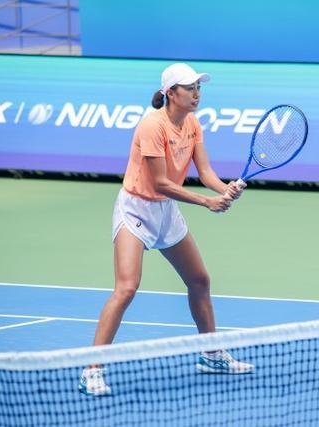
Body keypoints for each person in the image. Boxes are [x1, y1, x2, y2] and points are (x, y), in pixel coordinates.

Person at [78, 63, 254, 396]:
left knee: (199, 280)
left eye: (199, 87)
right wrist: (206, 203)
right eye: (190, 88)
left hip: (166, 211)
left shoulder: (193, 124)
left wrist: (225, 189)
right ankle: (92, 369)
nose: (197, 94)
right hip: (136, 210)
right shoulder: (151, 126)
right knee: (126, 288)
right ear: (171, 93)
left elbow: (205, 172)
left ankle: (211, 354)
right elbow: (159, 182)